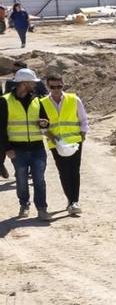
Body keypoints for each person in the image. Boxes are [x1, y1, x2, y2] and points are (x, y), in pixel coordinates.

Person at [40, 68, 87, 217]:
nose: (56, 90)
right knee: (63, 172)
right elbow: (42, 126)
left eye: (59, 86)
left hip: (74, 142)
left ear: (63, 85)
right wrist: (52, 138)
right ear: (47, 86)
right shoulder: (42, 103)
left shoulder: (74, 99)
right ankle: (70, 200)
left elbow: (83, 119)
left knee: (74, 171)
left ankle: (74, 201)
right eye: (52, 87)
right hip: (56, 143)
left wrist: (83, 135)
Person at [6, 68, 51, 219]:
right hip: (17, 149)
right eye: (32, 82)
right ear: (24, 84)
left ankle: (42, 208)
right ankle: (24, 204)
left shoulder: (38, 100)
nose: (35, 85)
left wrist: (44, 123)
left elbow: (45, 121)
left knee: (39, 179)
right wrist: (7, 148)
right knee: (21, 180)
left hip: (37, 148)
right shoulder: (5, 101)